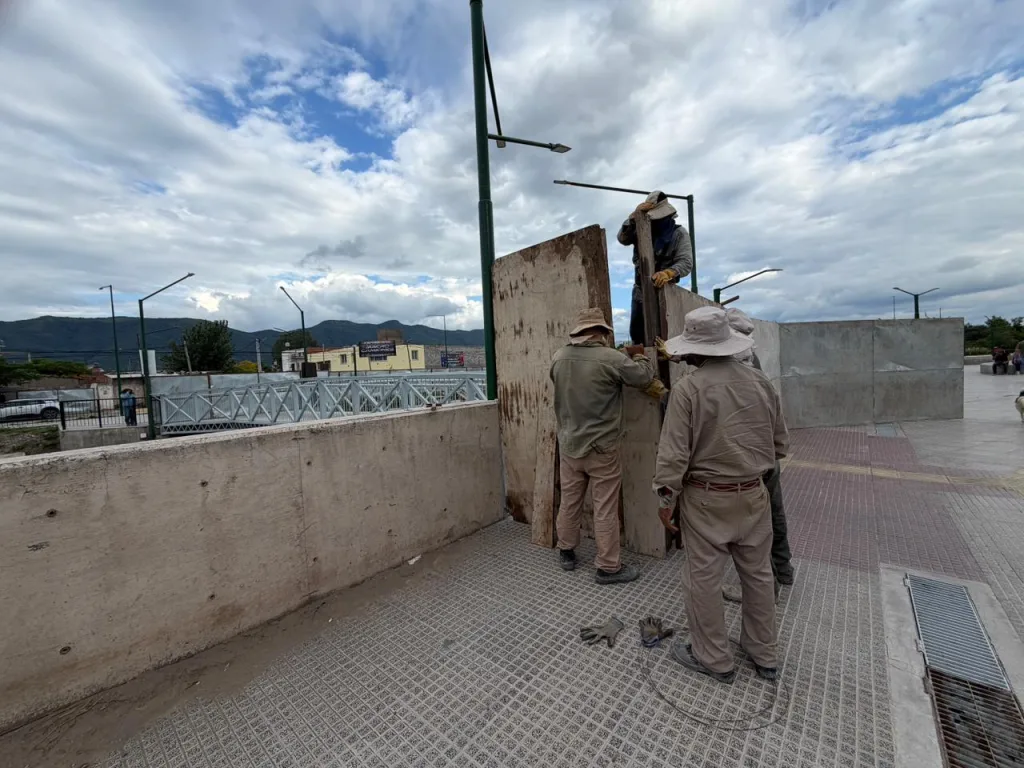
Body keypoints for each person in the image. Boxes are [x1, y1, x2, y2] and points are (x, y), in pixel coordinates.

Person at [653, 306, 789, 683]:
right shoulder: (761, 383)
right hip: (754, 494)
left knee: (704, 579)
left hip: (706, 499)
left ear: (695, 350)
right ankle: (764, 654)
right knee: (758, 576)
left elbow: (673, 456)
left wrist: (665, 500)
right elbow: (780, 444)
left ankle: (713, 658)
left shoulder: (688, 390)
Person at [550, 307, 655, 584]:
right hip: (601, 448)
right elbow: (643, 378)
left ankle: (566, 551)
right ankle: (608, 567)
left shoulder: (559, 357)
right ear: (602, 332)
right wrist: (640, 355)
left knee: (570, 502)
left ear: (579, 332)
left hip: (570, 444)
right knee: (605, 508)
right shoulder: (611, 358)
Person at [722, 309, 795, 602]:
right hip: (766, 453)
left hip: (748, 459)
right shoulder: (752, 357)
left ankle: (766, 588)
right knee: (774, 513)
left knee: (753, 527)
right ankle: (783, 569)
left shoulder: (733, 362)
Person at [617, 191, 693, 345]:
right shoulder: (641, 229)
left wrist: (668, 273)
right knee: (638, 334)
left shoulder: (678, 234)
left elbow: (686, 262)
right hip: (641, 289)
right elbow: (622, 238)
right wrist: (632, 218)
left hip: (666, 290)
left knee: (665, 333)